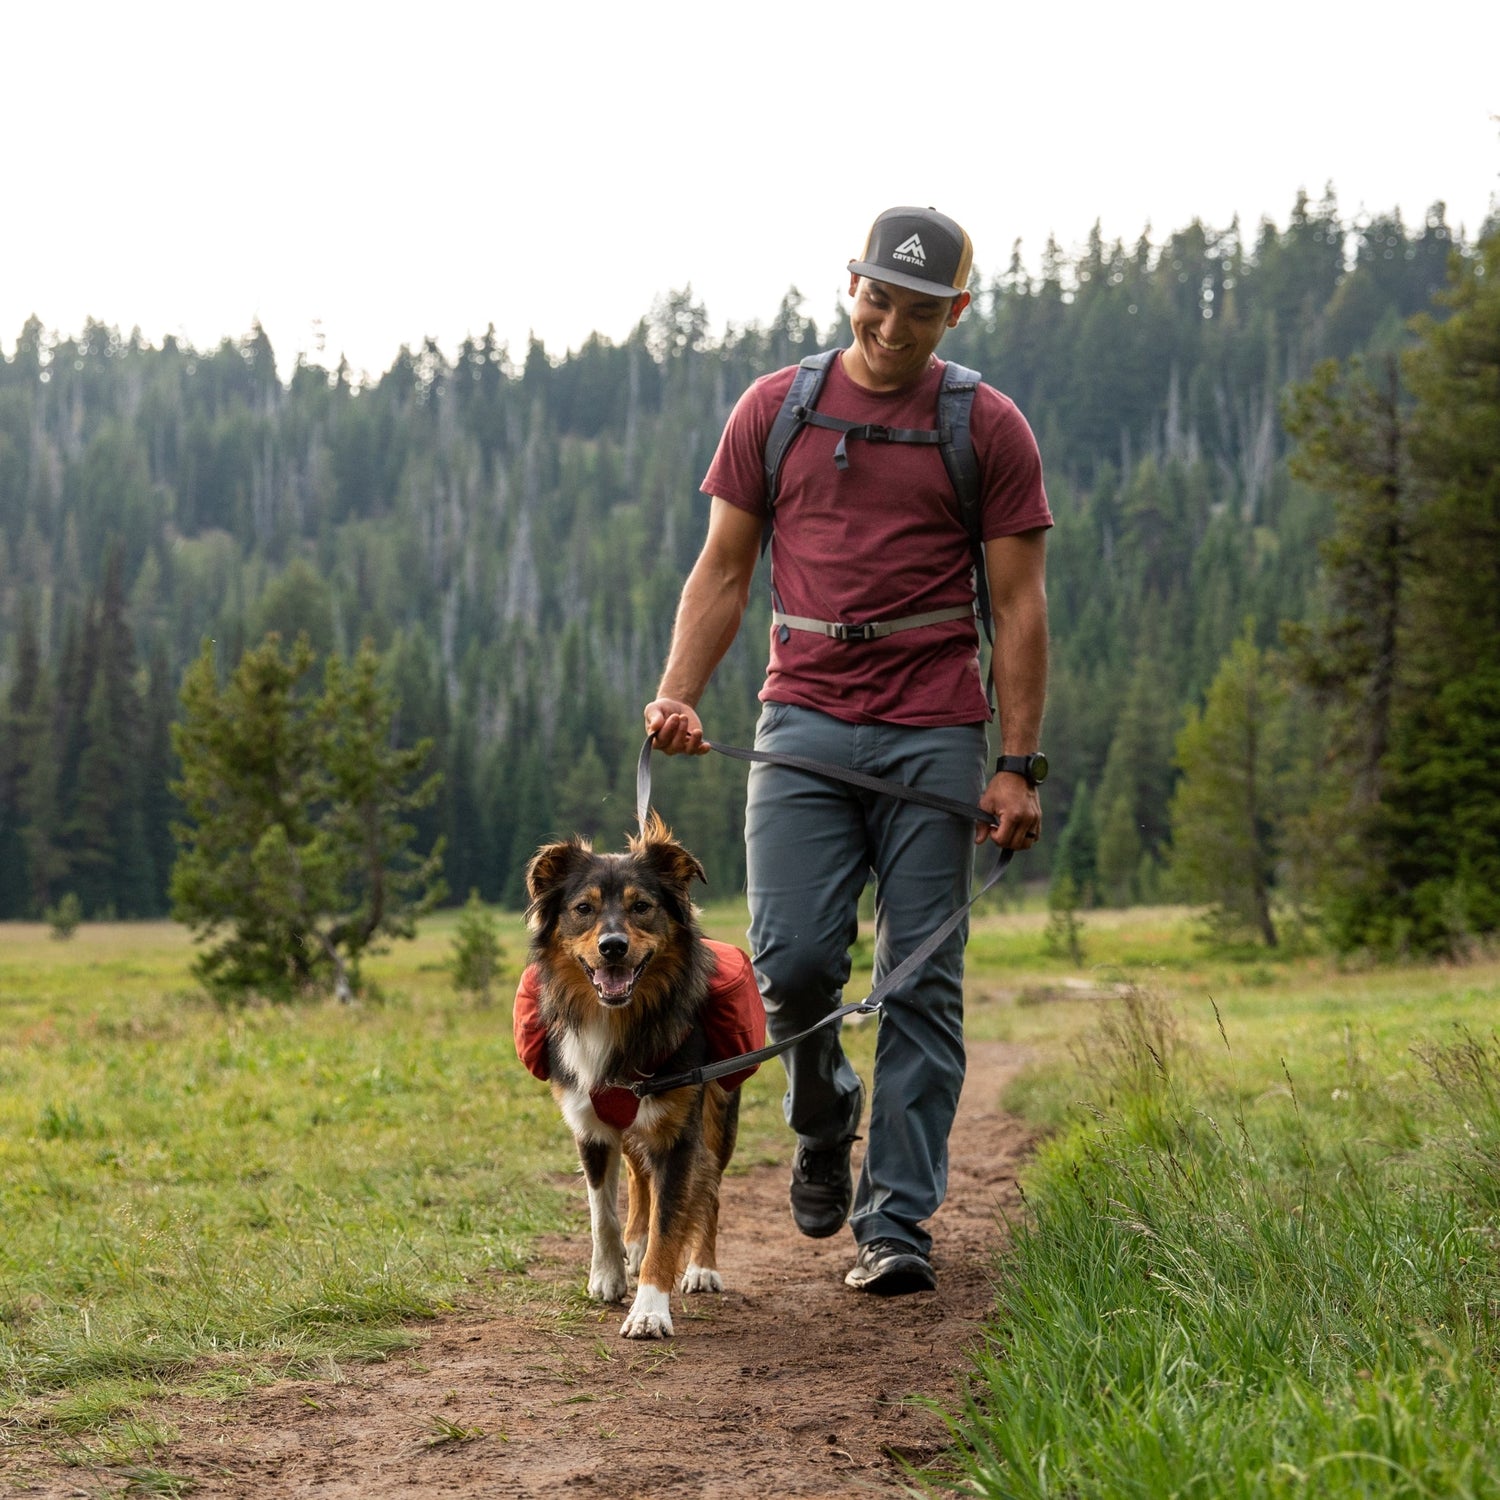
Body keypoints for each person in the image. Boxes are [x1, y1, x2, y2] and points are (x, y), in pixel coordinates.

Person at [644, 205, 1051, 1295]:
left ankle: (897, 1221)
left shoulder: (987, 427)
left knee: (920, 980)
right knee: (790, 964)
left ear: (957, 312)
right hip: (804, 721)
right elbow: (725, 569)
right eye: (879, 298)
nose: (893, 325)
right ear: (851, 285)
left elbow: (1018, 606)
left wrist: (1018, 763)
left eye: (921, 309)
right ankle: (824, 1117)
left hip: (935, 729)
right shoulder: (776, 409)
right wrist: (678, 693)